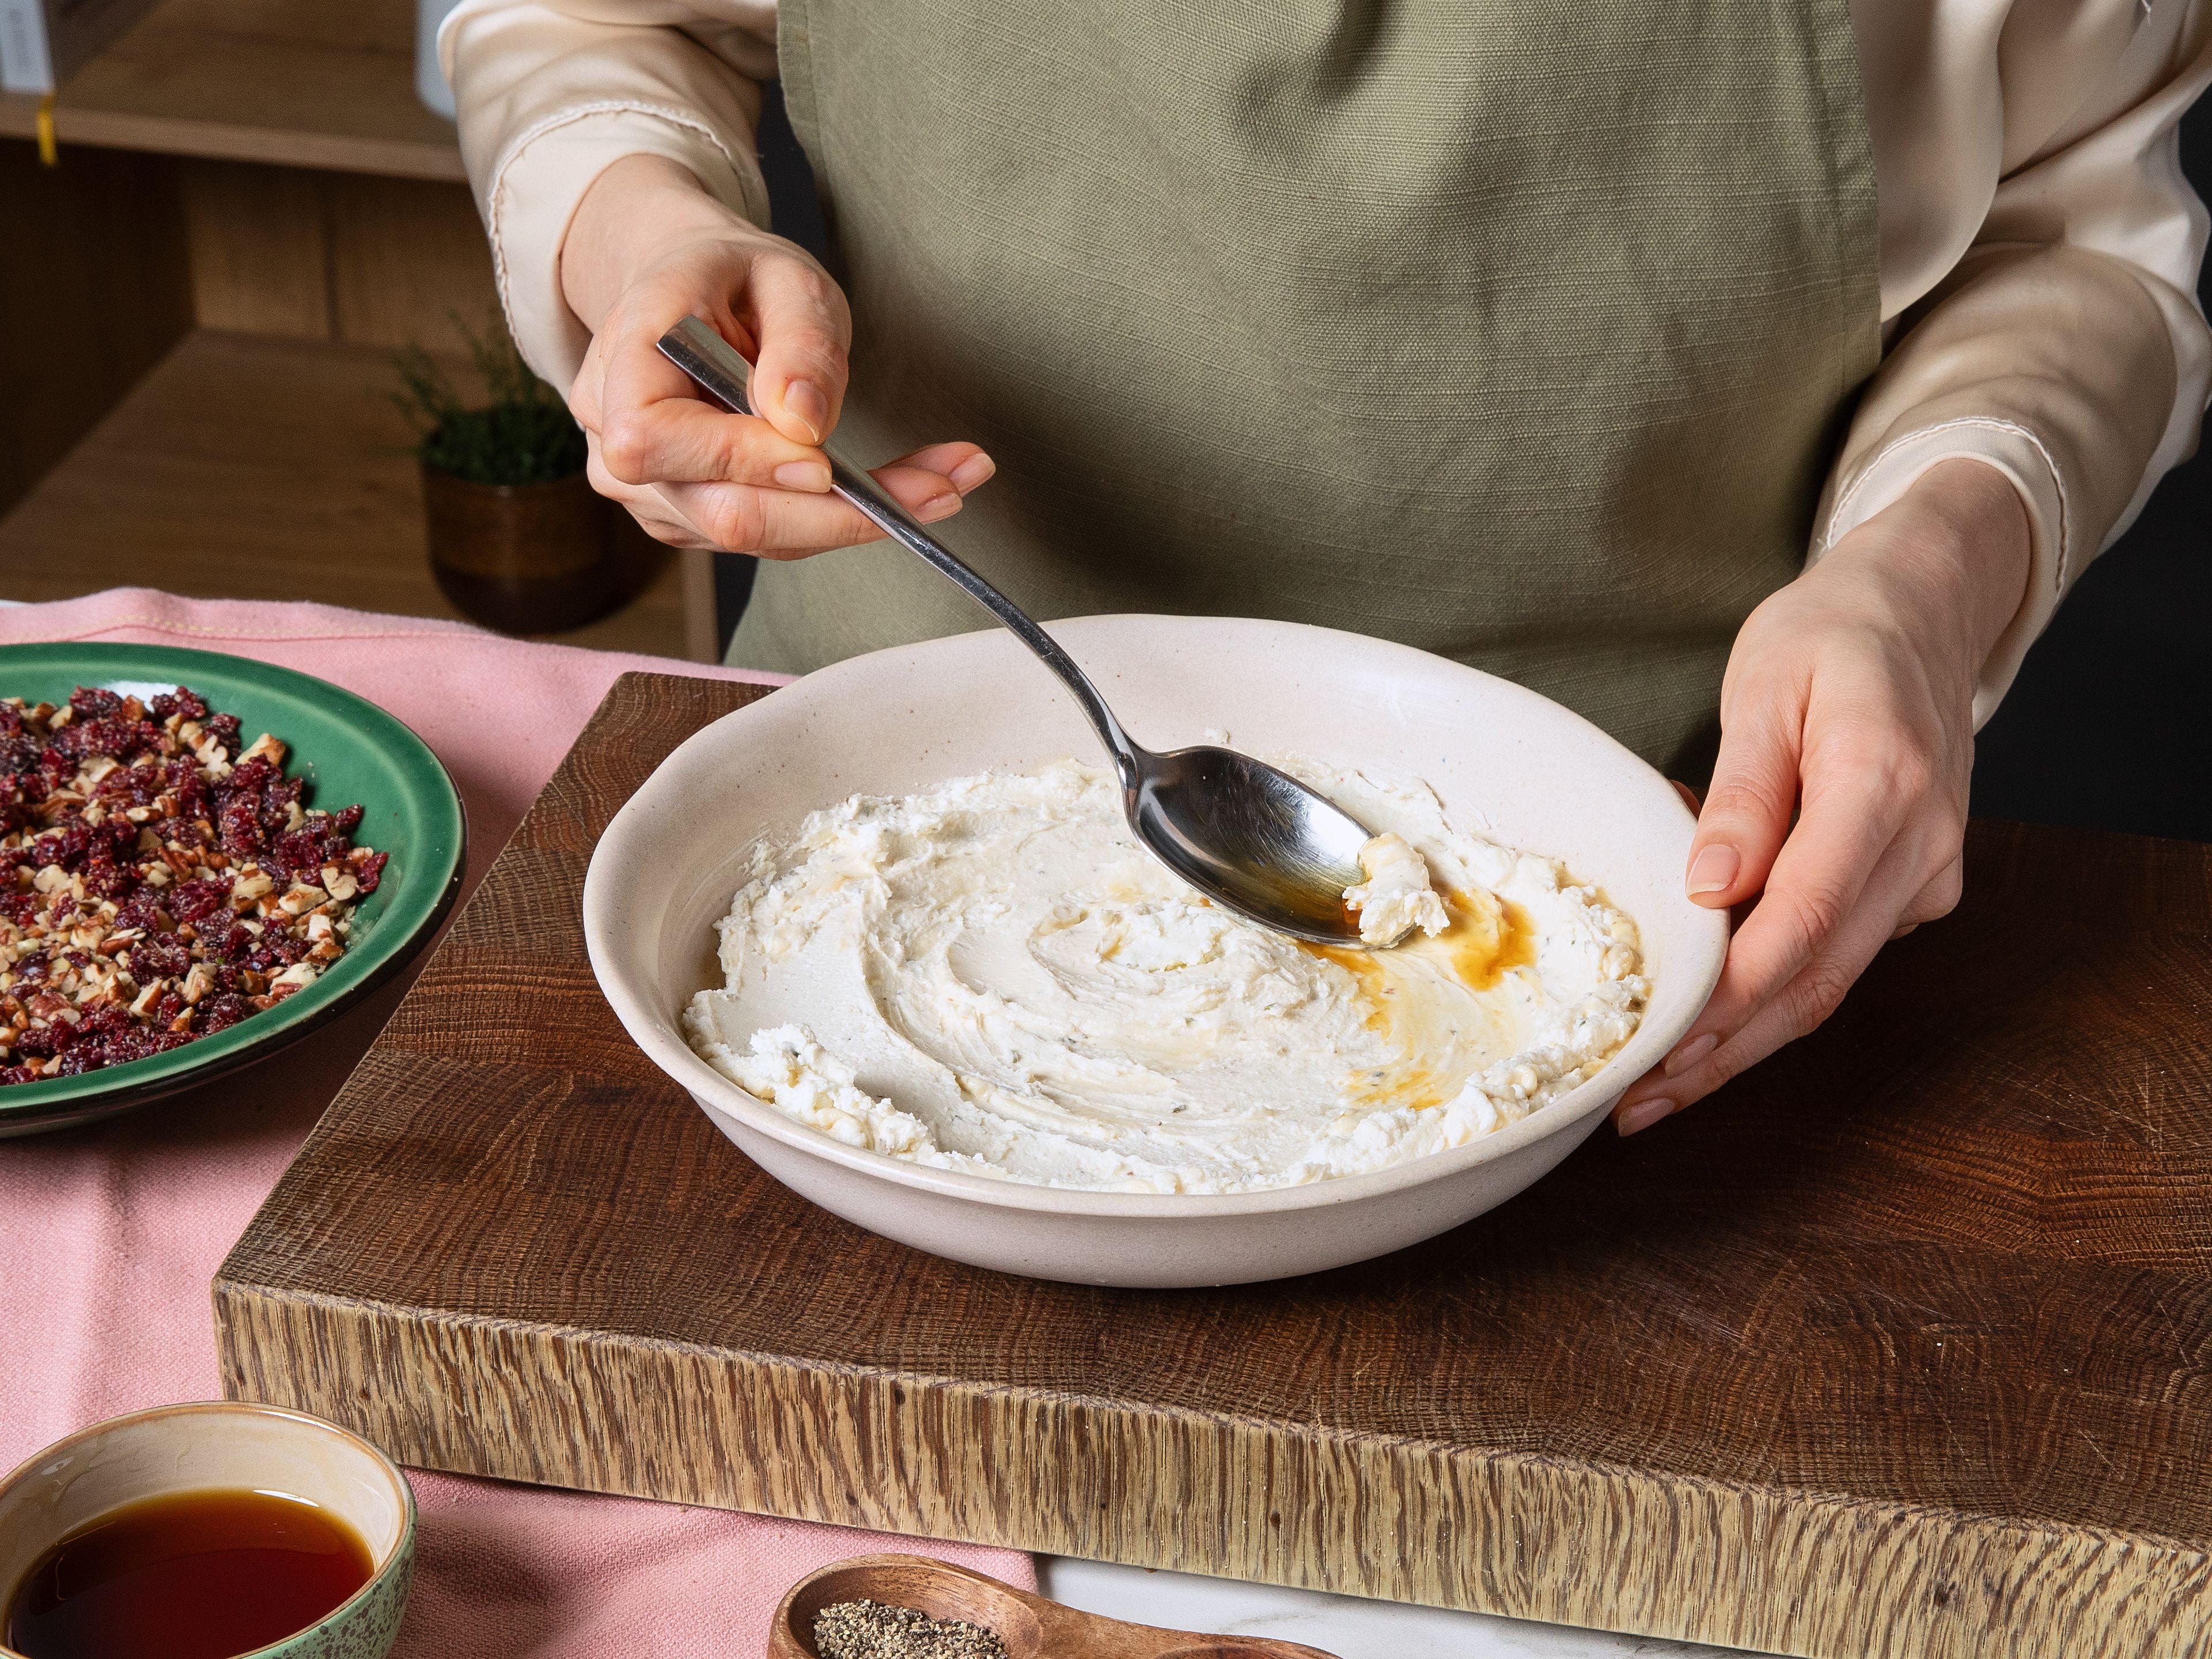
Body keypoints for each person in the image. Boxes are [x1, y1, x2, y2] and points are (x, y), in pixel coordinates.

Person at [444, 0, 2210, 1136]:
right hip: (861, 826)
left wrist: (1927, 570)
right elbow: (588, 22)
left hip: (1683, 876)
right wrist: (642, 223)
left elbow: (2078, 233)